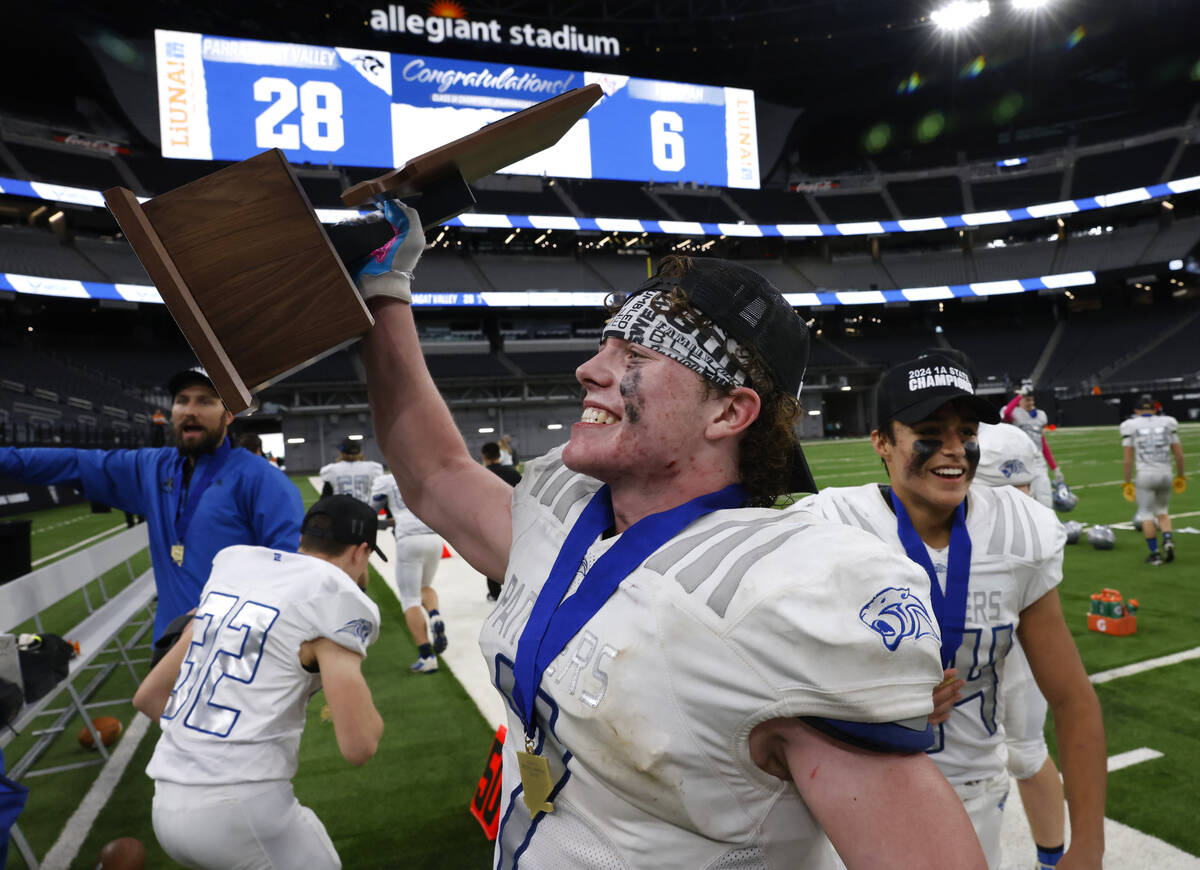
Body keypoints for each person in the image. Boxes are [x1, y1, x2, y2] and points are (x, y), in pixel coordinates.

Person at [352, 200, 985, 869]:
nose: (589, 369)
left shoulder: (771, 594)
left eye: (635, 354)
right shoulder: (566, 512)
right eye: (604, 343)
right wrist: (385, 290)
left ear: (728, 410)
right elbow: (433, 472)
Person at [792, 353, 1106, 870]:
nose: (955, 449)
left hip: (972, 788)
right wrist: (874, 707)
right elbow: (766, 683)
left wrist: (1089, 847)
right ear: (881, 442)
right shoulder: (830, 526)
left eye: (966, 431)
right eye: (930, 431)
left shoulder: (1016, 531)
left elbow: (1074, 700)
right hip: (852, 786)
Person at [134, 494, 384, 870]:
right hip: (242, 808)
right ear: (361, 551)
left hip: (166, 803)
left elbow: (149, 697)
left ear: (304, 540)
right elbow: (360, 745)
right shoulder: (334, 596)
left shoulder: (237, 574)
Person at [0, 367, 304, 641]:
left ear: (228, 415)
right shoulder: (152, 468)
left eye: (205, 401)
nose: (190, 411)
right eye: (182, 400)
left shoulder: (262, 481)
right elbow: (74, 463)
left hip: (234, 649)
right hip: (169, 644)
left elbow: (290, 570)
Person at [975, 420, 1067, 870]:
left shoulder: (1036, 531)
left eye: (1021, 491)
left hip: (1013, 636)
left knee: (1027, 751)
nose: (1015, 504)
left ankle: (1051, 861)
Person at [371, 471, 446, 673]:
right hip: (434, 536)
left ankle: (426, 656)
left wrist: (385, 523)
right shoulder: (426, 475)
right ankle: (434, 614)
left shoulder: (386, 480)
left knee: (409, 599)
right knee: (425, 587)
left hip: (409, 538)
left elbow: (371, 513)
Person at [1121, 394, 1186, 565]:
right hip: (1166, 473)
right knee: (1163, 511)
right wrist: (1181, 475)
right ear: (1155, 409)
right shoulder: (1168, 422)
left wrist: (1127, 481)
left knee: (1146, 514)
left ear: (1136, 411)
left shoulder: (1130, 425)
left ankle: (1155, 553)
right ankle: (1168, 540)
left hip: (1146, 474)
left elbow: (1127, 460)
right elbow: (1179, 455)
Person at [1000, 385, 1062, 508]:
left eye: (1032, 400)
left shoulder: (1040, 415)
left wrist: (1054, 467)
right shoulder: (1015, 414)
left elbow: (1042, 443)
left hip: (1038, 460)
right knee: (1024, 499)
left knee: (1045, 497)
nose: (1030, 402)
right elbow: (1006, 413)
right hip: (1021, 460)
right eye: (1027, 400)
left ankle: (1047, 524)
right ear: (1020, 401)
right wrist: (1019, 396)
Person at [481, 441, 521, 602]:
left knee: (491, 557)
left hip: (490, 524)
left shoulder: (481, 475)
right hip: (513, 521)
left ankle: (495, 592)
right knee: (517, 557)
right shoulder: (513, 474)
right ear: (499, 455)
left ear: (484, 456)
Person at [320, 438, 383, 503]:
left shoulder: (331, 470)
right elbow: (379, 494)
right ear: (360, 452)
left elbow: (325, 498)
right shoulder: (373, 467)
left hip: (341, 510)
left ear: (341, 452)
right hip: (365, 509)